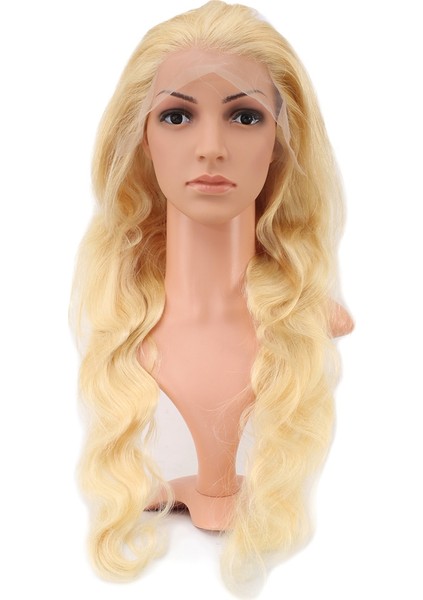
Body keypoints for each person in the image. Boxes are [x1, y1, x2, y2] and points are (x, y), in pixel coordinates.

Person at [71, 0, 353, 588]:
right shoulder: (120, 318)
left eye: (244, 117)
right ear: (143, 138)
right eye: (177, 116)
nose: (210, 148)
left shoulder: (310, 319)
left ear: (280, 140)